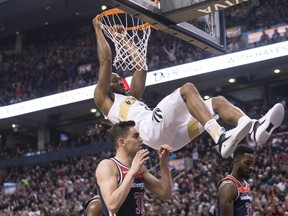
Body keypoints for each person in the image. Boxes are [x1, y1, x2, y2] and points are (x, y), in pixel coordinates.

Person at [92, 18, 284, 158]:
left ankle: (255, 128)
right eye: (114, 79)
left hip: (171, 138)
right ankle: (220, 137)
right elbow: (106, 60)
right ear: (105, 84)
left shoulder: (131, 97)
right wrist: (99, 30)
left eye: (118, 78)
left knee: (216, 103)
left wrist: (124, 39)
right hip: (150, 129)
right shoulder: (104, 100)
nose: (118, 80)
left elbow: (141, 66)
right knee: (187, 89)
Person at [95, 120, 173, 216]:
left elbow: (165, 193)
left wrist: (163, 163)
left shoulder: (139, 168)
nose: (141, 140)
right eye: (136, 136)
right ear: (122, 142)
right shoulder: (107, 166)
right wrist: (131, 172)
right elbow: (112, 205)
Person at [217, 144, 255, 216]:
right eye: (247, 163)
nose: (251, 167)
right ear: (236, 161)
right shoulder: (228, 186)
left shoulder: (247, 185)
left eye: (252, 164)